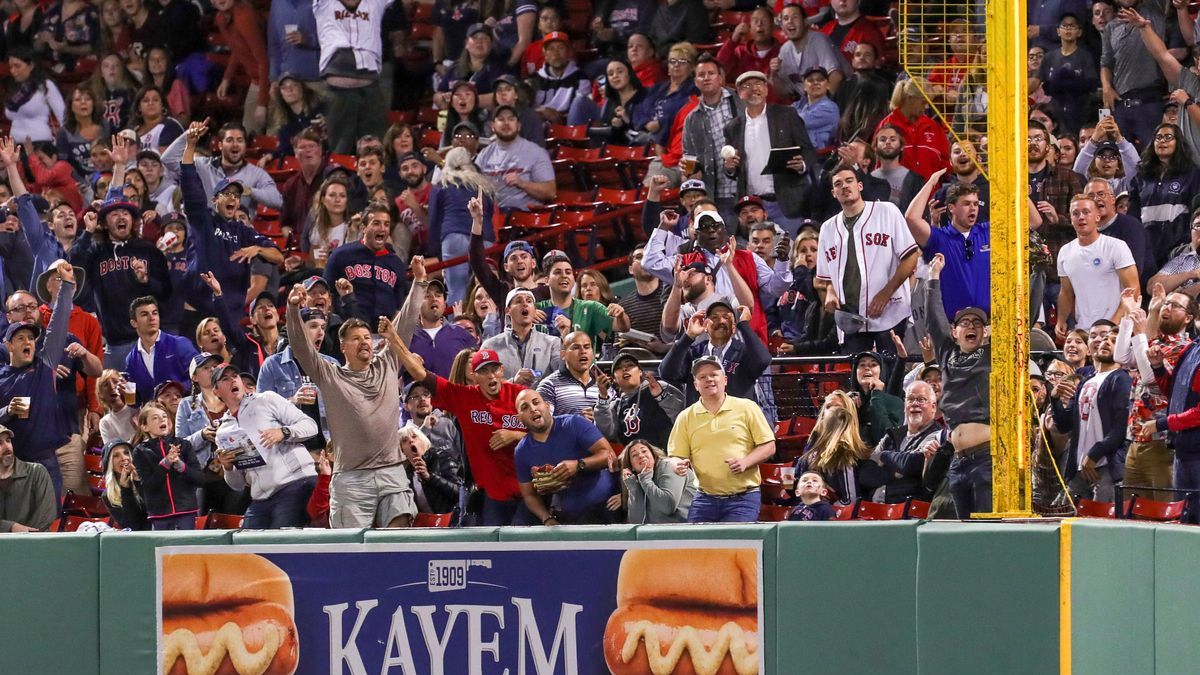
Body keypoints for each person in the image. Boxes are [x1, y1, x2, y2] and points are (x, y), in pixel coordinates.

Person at [284, 283, 418, 528]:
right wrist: (293, 310)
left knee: (398, 541)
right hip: (351, 478)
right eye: (356, 339)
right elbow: (302, 349)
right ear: (342, 346)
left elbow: (406, 324)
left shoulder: (387, 363)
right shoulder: (330, 375)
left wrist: (419, 282)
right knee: (353, 547)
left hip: (393, 473)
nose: (364, 342)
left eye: (367, 337)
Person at [393, 339, 530, 526]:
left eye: (494, 369)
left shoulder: (521, 395)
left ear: (502, 370)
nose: (491, 376)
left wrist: (516, 436)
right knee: (491, 541)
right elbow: (421, 374)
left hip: (526, 489)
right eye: (484, 371)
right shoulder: (465, 398)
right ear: (474, 375)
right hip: (491, 495)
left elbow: (547, 432)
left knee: (525, 540)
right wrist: (393, 337)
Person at [179, 120, 284, 318]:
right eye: (226, 194)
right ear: (214, 200)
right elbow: (189, 181)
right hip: (198, 310)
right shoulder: (202, 219)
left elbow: (278, 257)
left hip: (229, 313)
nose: (232, 198)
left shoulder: (244, 231)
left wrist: (258, 249)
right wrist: (190, 146)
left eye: (236, 195)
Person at [816, 167, 920, 355]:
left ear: (860, 186)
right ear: (833, 193)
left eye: (849, 180)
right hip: (850, 319)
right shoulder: (827, 229)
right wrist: (830, 292)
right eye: (838, 184)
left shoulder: (887, 211)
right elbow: (826, 278)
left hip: (890, 312)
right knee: (858, 372)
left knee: (890, 370)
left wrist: (886, 293)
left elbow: (911, 256)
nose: (844, 186)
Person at [0, 260, 75, 500]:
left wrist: (67, 286)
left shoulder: (45, 364)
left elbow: (58, 324)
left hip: (46, 461)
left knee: (51, 518)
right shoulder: (1, 377)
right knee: (17, 520)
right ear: (8, 345)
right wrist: (7, 411)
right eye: (20, 338)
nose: (28, 342)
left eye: (31, 338)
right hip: (12, 463)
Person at [668, 355, 775, 523]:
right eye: (702, 377)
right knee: (694, 540)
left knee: (734, 540)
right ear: (696, 385)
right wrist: (677, 465)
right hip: (704, 497)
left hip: (743, 498)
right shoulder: (685, 417)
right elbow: (676, 455)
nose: (709, 379)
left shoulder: (747, 407)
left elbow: (768, 446)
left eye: (714, 374)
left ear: (725, 380)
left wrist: (746, 462)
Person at [211, 364, 319, 529]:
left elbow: (310, 425)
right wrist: (228, 467)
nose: (233, 380)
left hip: (295, 484)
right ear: (216, 392)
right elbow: (237, 485)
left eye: (235, 375)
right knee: (247, 542)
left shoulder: (266, 400)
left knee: (280, 540)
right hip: (261, 497)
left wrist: (284, 432)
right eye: (225, 379)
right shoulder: (223, 431)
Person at [925, 253, 993, 518]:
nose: (971, 326)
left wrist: (1037, 274)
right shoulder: (947, 354)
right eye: (965, 322)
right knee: (962, 529)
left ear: (985, 332)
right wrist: (933, 277)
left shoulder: (992, 355)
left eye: (977, 323)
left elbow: (1022, 322)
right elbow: (934, 319)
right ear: (955, 331)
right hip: (958, 460)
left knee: (986, 528)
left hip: (986, 457)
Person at [1116, 287, 1190, 500]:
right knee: (1131, 510)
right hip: (1136, 439)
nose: (1167, 308)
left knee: (1164, 508)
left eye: (1175, 306)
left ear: (1188, 317)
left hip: (1161, 442)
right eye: (1166, 303)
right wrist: (1129, 315)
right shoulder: (1156, 342)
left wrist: (1140, 333)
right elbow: (1121, 357)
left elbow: (1151, 378)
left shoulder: (1185, 348)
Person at [723, 69, 817, 235]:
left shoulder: (787, 114)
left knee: (791, 247)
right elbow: (732, 168)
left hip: (787, 203)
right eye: (747, 86)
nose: (754, 88)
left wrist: (802, 164)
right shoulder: (733, 127)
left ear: (766, 89)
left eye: (758, 84)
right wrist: (729, 167)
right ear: (739, 93)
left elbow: (809, 150)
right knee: (758, 251)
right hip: (753, 206)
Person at [513, 389, 619, 525]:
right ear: (519, 418)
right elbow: (529, 494)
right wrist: (547, 518)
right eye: (525, 407)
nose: (533, 409)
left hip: (605, 506)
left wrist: (578, 465)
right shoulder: (522, 451)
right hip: (567, 517)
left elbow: (610, 456)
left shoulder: (574, 423)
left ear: (547, 406)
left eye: (536, 402)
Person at [1052, 321, 1130, 504]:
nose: (1106, 342)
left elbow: (1121, 427)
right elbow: (1064, 426)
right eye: (1105, 339)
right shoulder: (1085, 381)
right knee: (1067, 517)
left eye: (1114, 341)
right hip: (1080, 466)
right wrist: (1054, 399)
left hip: (1105, 466)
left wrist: (1094, 455)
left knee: (1101, 519)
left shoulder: (1121, 379)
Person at [905, 169, 992, 318]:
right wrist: (931, 182)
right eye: (966, 204)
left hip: (987, 323)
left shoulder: (987, 232)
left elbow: (1031, 220)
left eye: (976, 204)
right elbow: (911, 218)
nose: (973, 208)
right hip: (950, 325)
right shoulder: (939, 238)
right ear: (952, 208)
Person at [1054, 194, 1139, 338]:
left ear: (1097, 217)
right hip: (1084, 331)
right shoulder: (1065, 252)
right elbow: (1066, 292)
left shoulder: (1116, 246)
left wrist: (1112, 325)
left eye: (1086, 212)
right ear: (1071, 219)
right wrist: (1061, 319)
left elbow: (1133, 289)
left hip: (1115, 331)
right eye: (1075, 213)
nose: (1081, 217)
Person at [312, 0, 390, 153]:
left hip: (371, 90)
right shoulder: (325, 4)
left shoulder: (374, 3)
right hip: (339, 93)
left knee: (376, 147)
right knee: (340, 149)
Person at [324, 199, 410, 323]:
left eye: (386, 224)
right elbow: (327, 292)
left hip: (384, 329)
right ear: (363, 228)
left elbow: (399, 306)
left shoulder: (396, 263)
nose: (382, 228)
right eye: (376, 223)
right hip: (349, 326)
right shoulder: (341, 255)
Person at [681, 54, 744, 221]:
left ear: (721, 77)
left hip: (748, 187)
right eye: (701, 75)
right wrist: (689, 170)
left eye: (711, 73)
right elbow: (688, 157)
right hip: (718, 195)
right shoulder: (692, 119)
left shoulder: (741, 101)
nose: (706, 78)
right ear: (695, 81)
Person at [428, 150, 495, 305]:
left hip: (454, 238)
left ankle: (457, 320)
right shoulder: (483, 186)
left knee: (456, 291)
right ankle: (491, 318)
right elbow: (489, 214)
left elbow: (434, 221)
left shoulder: (442, 185)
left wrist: (436, 252)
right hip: (483, 238)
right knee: (486, 288)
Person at [867, 380, 949, 504]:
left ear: (933, 407)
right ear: (905, 406)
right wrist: (894, 474)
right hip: (875, 509)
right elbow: (866, 473)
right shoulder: (892, 434)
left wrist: (884, 455)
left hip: (912, 510)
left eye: (921, 399)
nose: (915, 404)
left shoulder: (938, 435)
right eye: (910, 399)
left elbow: (912, 464)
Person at [131, 402, 205, 530]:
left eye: (164, 416)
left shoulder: (184, 445)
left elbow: (199, 479)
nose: (162, 420)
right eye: (155, 418)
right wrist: (165, 463)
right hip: (159, 515)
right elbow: (148, 486)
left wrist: (180, 465)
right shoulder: (140, 451)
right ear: (144, 427)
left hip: (186, 512)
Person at [536, 251, 629, 348]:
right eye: (558, 272)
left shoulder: (591, 308)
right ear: (547, 280)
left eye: (568, 272)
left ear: (573, 279)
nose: (564, 275)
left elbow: (623, 327)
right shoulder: (536, 310)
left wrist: (621, 316)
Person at [595, 349, 685, 449]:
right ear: (614, 379)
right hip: (635, 457)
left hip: (667, 453)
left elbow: (683, 417)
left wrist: (661, 397)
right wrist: (602, 397)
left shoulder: (660, 387)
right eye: (619, 368)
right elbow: (607, 434)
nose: (625, 369)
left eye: (630, 365)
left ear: (640, 372)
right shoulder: (615, 407)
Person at [475, 105, 556, 212]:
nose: (506, 123)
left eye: (511, 119)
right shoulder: (484, 155)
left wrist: (522, 184)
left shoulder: (536, 152)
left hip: (524, 216)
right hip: (491, 215)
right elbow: (473, 188)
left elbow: (550, 192)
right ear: (493, 126)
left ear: (519, 126)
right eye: (501, 119)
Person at [407, 262, 478, 379]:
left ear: (445, 304)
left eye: (438, 295)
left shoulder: (462, 335)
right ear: (417, 304)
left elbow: (478, 371)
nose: (434, 299)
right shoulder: (407, 338)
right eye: (427, 296)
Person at [481, 288, 563, 387]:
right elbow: (483, 383)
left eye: (529, 301)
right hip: (507, 397)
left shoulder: (552, 343)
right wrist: (513, 382)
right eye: (518, 301)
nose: (525, 304)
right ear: (508, 311)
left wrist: (565, 335)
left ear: (534, 310)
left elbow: (563, 376)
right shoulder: (490, 346)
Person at [122, 296, 198, 404]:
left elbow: (200, 377)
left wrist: (175, 391)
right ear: (134, 323)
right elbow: (134, 401)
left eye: (154, 313)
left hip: (185, 408)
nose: (151, 318)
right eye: (144, 314)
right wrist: (124, 390)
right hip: (154, 413)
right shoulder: (131, 360)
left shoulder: (180, 344)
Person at [772, 3, 845, 101]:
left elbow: (836, 77)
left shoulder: (818, 40)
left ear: (805, 22)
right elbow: (784, 94)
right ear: (781, 26)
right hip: (808, 103)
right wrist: (774, 75)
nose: (790, 21)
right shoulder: (785, 50)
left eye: (795, 17)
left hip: (840, 100)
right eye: (786, 18)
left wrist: (821, 105)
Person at [619, 439, 695, 524]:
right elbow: (636, 521)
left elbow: (668, 507)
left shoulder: (669, 466)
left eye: (644, 451)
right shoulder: (639, 479)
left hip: (687, 527)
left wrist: (646, 481)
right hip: (659, 530)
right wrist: (634, 488)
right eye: (634, 455)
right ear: (632, 467)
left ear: (653, 455)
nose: (640, 455)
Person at [398, 423, 463, 517]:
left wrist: (430, 477)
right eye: (404, 440)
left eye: (414, 437)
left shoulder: (442, 458)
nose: (411, 441)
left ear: (423, 440)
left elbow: (460, 494)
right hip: (426, 524)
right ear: (402, 450)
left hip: (451, 520)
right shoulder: (406, 475)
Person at [0, 424, 56, 532]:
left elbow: (45, 516)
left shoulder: (36, 472)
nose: (7, 446)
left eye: (8, 441)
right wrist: (10, 527)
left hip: (33, 540)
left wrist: (23, 535)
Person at [101, 439, 148, 530]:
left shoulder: (148, 478)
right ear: (109, 463)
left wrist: (138, 482)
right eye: (116, 455)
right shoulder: (108, 496)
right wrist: (126, 489)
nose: (124, 458)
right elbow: (133, 525)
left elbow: (155, 511)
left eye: (126, 453)